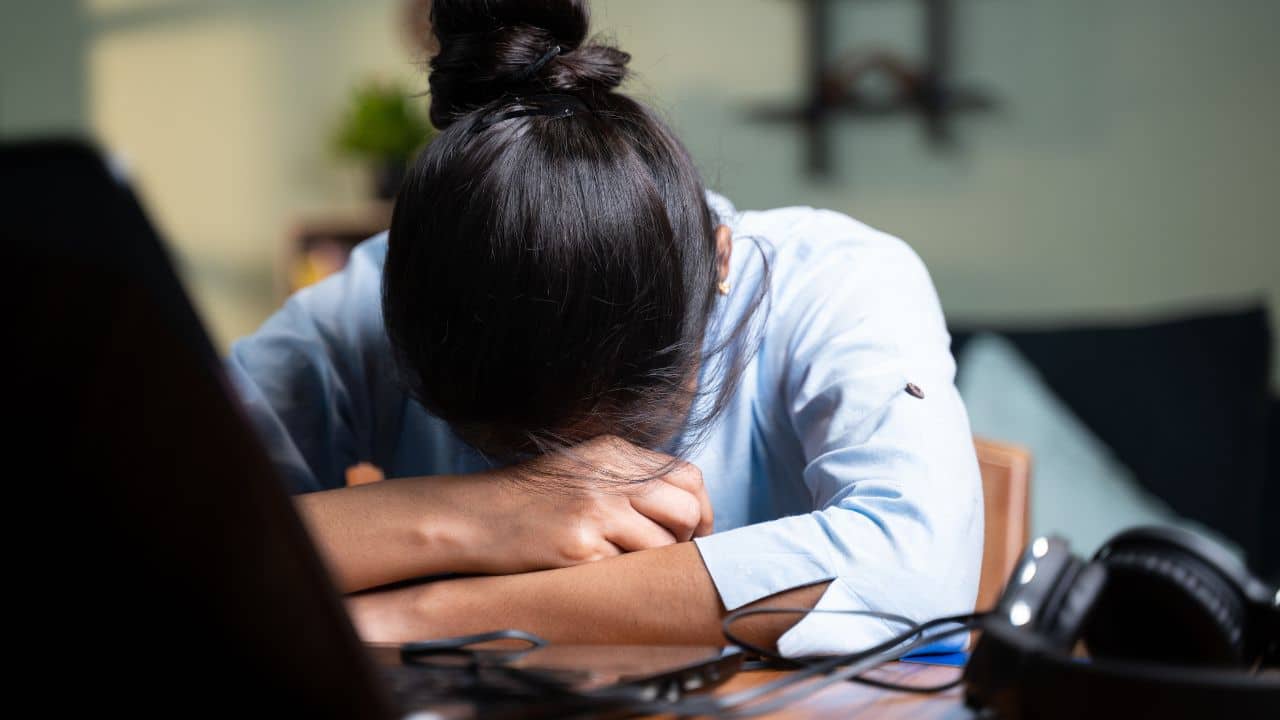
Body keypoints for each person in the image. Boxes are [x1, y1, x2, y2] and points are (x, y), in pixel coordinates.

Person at [228, 0, 982, 657]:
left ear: (718, 269)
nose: (579, 480)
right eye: (499, 448)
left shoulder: (836, 280)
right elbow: (151, 534)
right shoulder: (374, 298)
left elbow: (917, 567)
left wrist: (431, 613)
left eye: (625, 430)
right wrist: (476, 514)